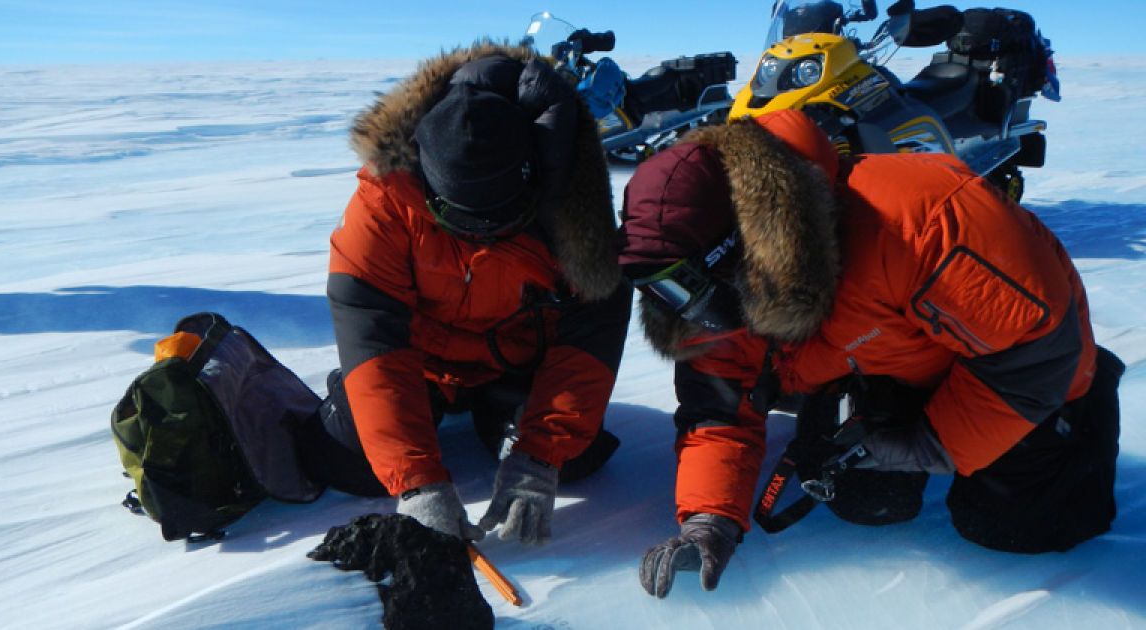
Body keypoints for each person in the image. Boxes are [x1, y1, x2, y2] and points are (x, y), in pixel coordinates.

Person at [618, 109, 1123, 598]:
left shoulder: (920, 219)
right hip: (879, 367)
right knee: (868, 503)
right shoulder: (711, 301)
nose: (689, 313)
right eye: (668, 295)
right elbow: (719, 410)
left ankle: (1080, 418)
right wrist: (709, 519)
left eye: (689, 290)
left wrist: (930, 443)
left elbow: (1034, 351)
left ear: (744, 251)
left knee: (1021, 527)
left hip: (1030, 366)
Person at [297, 43, 632, 545]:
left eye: (503, 219)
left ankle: (498, 412)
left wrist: (539, 456)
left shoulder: (569, 193)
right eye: (460, 222)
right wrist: (417, 485)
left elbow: (592, 327)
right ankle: (406, 410)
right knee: (350, 460)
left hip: (515, 361)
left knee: (575, 461)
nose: (483, 236)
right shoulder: (386, 197)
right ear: (429, 188)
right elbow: (369, 325)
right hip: (421, 360)